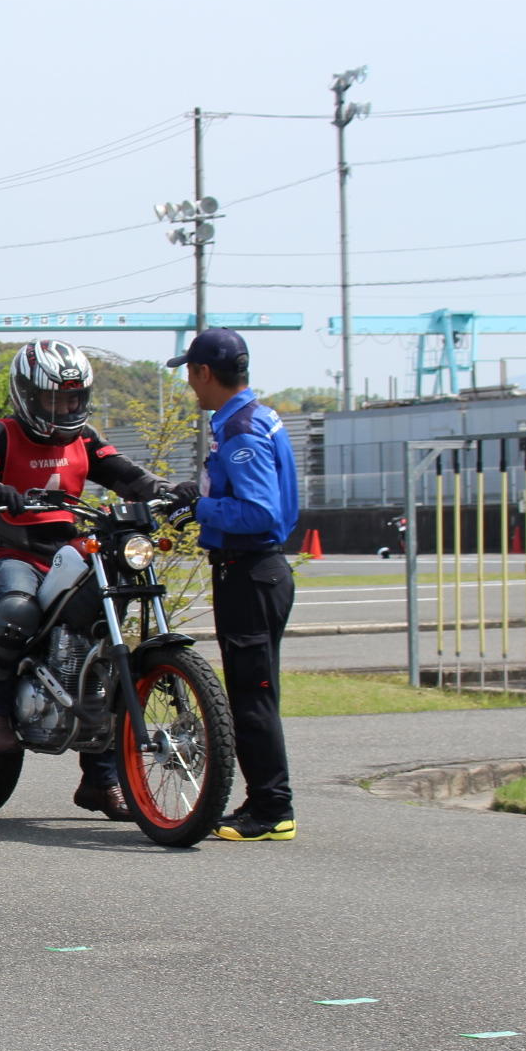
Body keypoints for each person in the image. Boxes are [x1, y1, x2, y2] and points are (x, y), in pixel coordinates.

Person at [0, 339, 176, 821]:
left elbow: (126, 475)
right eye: (56, 399)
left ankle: (101, 779)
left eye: (74, 399)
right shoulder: (1, 434)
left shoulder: (86, 439)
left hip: (71, 551)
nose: (66, 408)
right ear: (28, 395)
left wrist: (164, 491)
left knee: (104, 638)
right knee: (18, 612)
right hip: (13, 553)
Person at [164, 328, 301, 842]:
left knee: (252, 695)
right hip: (257, 571)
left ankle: (272, 808)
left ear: (204, 372)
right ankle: (265, 801)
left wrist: (197, 508)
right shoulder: (255, 416)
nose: (189, 386)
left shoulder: (240, 428)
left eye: (190, 374)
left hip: (250, 571)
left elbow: (259, 511)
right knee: (253, 692)